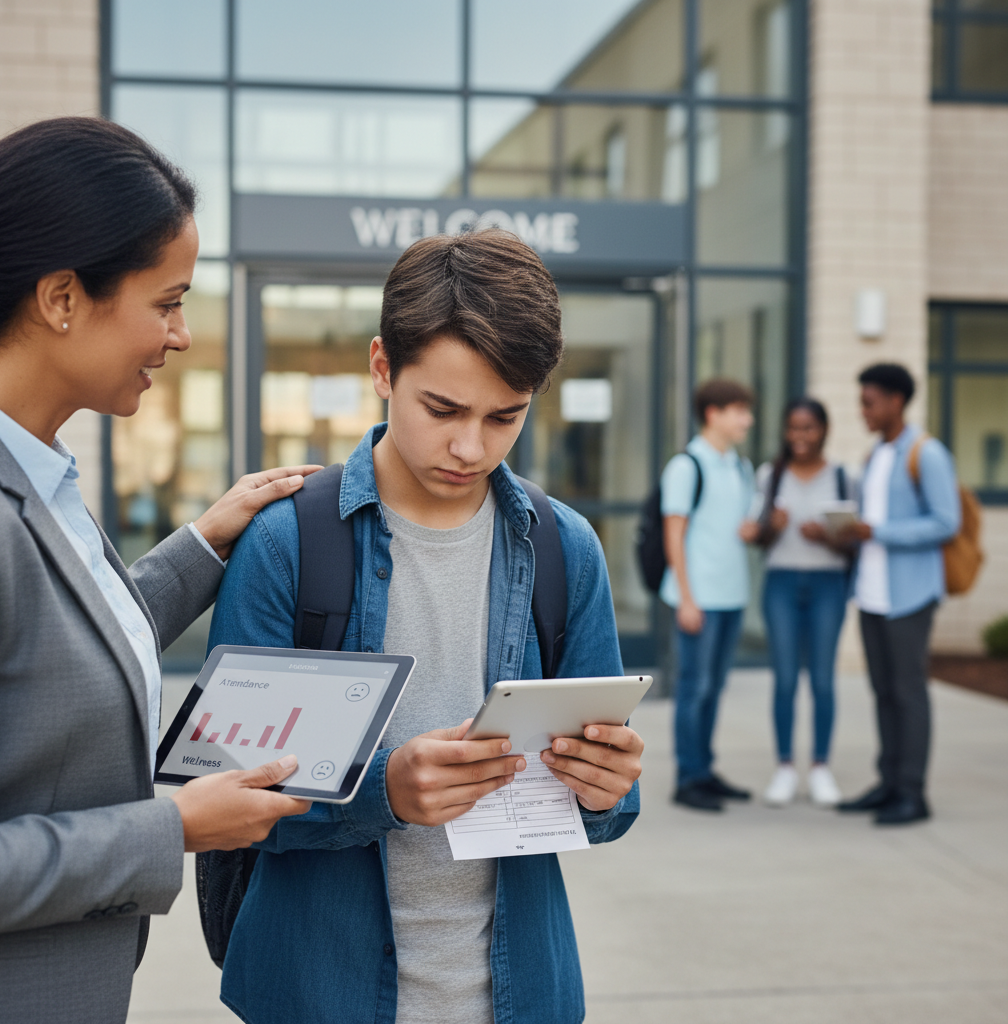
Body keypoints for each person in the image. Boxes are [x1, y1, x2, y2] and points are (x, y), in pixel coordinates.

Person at [206, 229, 644, 1024]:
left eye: (504, 418)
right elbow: (227, 800)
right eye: (442, 408)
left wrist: (607, 788)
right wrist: (383, 792)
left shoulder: (564, 548)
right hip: (320, 992)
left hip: (519, 994)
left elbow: (606, 809)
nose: (469, 447)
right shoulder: (286, 542)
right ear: (382, 367)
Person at [0, 117, 321, 1024]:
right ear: (62, 297)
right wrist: (171, 829)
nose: (179, 336)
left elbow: (57, 651)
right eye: (167, 302)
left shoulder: (33, 468)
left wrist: (207, 541)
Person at [835, 364, 960, 825]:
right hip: (872, 594)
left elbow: (947, 522)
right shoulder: (876, 455)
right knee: (884, 692)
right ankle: (888, 783)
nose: (862, 411)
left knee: (908, 693)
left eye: (869, 402)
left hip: (909, 596)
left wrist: (877, 531)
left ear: (895, 401)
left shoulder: (926, 454)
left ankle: (912, 792)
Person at [661, 379, 758, 813]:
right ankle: (688, 778)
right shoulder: (686, 466)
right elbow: (674, 535)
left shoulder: (741, 467)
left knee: (715, 688)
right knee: (693, 689)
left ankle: (705, 770)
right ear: (713, 413)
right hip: (697, 599)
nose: (747, 420)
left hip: (732, 596)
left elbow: (738, 527)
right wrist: (686, 597)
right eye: (739, 410)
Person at [753, 398, 852, 808]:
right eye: (793, 428)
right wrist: (771, 528)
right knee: (787, 679)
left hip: (829, 583)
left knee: (824, 680)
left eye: (808, 428)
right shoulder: (769, 476)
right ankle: (786, 768)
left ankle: (821, 768)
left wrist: (827, 537)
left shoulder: (846, 477)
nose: (800, 436)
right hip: (782, 582)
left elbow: (854, 539)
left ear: (823, 430)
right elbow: (758, 539)